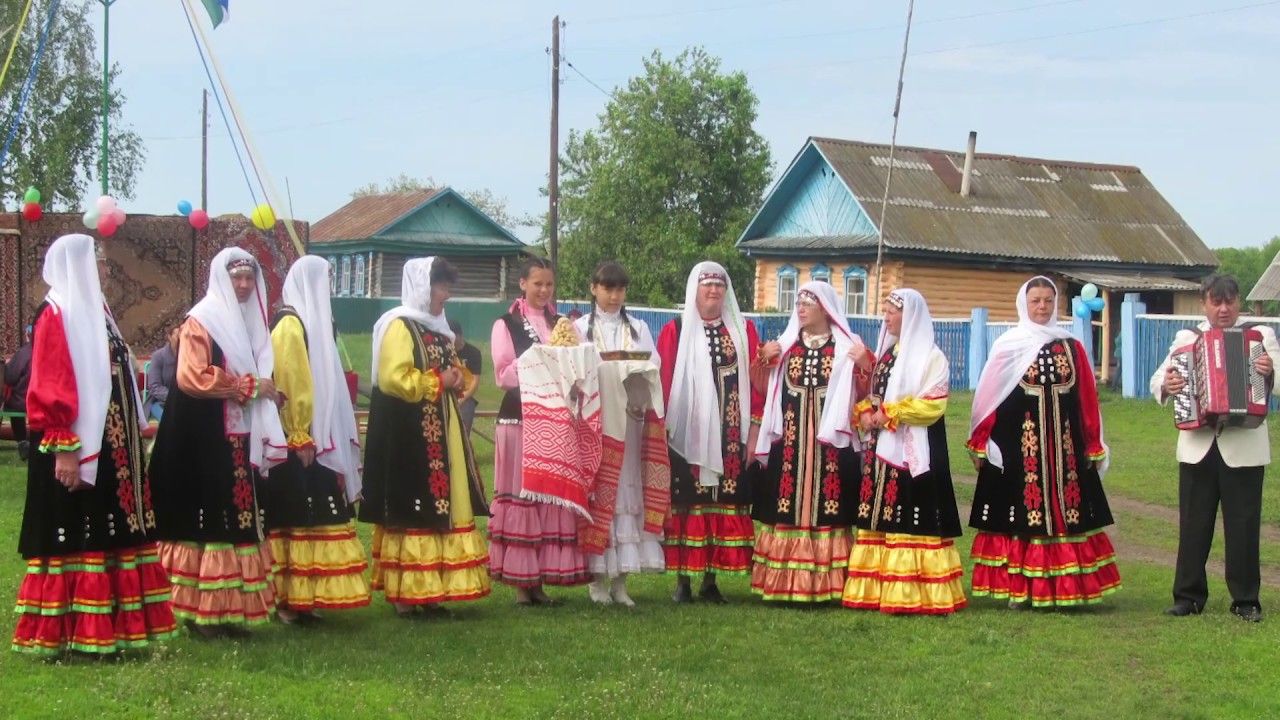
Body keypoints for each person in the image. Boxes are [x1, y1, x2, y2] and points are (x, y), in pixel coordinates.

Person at [12, 234, 178, 655]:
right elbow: (50, 381)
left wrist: (136, 421)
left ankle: (115, 627)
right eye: (99, 263)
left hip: (113, 447)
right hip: (77, 445)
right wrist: (66, 447)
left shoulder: (98, 315)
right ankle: (73, 632)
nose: (105, 270)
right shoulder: (57, 313)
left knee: (112, 529)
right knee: (82, 530)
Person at [149, 248, 288, 638]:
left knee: (236, 515)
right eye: (236, 279)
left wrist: (266, 393)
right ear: (220, 280)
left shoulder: (251, 323)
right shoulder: (203, 320)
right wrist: (245, 386)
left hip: (237, 435)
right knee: (207, 516)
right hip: (199, 436)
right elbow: (191, 377)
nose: (243, 286)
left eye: (249, 279)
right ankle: (198, 613)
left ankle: (231, 612)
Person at [967, 277, 1120, 609]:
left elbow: (1087, 399)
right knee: (1023, 513)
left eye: (1048, 301)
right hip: (1020, 447)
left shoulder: (1071, 346)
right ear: (1024, 303)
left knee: (1067, 513)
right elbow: (989, 397)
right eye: (1035, 301)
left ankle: (1065, 587)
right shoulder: (1009, 346)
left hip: (1065, 450)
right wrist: (981, 440)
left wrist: (1094, 442)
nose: (1042, 307)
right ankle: (1021, 590)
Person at [361, 257, 492, 618]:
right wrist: (438, 382)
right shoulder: (399, 326)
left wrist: (458, 377)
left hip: (441, 428)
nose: (445, 295)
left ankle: (431, 590)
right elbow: (393, 378)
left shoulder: (438, 328)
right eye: (440, 287)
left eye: (447, 288)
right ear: (423, 287)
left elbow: (452, 368)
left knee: (441, 503)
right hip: (409, 432)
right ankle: (407, 595)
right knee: (413, 503)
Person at [1152, 274, 1280, 622]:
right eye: (1216, 302)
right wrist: (1169, 382)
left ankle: (1246, 600)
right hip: (1198, 445)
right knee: (1193, 524)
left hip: (1245, 446)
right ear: (1204, 303)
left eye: (1230, 301)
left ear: (1239, 302)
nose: (1223, 309)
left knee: (1244, 524)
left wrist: (1268, 373)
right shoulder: (1187, 337)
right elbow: (1158, 379)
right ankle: (1188, 596)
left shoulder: (1261, 335)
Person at [842, 289, 966, 615]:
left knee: (911, 512)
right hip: (882, 448)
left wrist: (891, 413)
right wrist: (866, 413)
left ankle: (916, 592)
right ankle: (878, 589)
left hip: (916, 449)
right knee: (882, 512)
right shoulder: (888, 355)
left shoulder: (931, 356)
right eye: (885, 310)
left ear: (910, 316)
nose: (886, 317)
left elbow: (934, 404)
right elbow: (876, 395)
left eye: (892, 311)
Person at [656, 262, 770, 603]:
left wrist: (754, 432)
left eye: (720, 286)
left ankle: (710, 580)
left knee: (721, 502)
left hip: (730, 436)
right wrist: (661, 427)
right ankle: (682, 582)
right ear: (695, 290)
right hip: (686, 435)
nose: (714, 291)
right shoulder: (676, 329)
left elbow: (758, 384)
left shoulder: (742, 330)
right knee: (687, 504)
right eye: (707, 285)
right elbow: (663, 382)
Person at [267, 256, 370, 624]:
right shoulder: (290, 325)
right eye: (323, 280)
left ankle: (306, 597)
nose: (328, 287)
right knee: (295, 517)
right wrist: (299, 433)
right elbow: (291, 381)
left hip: (318, 434)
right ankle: (286, 602)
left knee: (317, 517)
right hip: (301, 438)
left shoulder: (316, 323)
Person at [750, 282, 863, 603]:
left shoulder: (846, 346)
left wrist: (865, 366)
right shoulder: (785, 346)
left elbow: (865, 392)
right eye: (797, 303)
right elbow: (761, 387)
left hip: (831, 446)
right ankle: (783, 582)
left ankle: (831, 585)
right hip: (790, 441)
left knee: (832, 502)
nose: (799, 308)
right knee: (785, 498)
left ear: (825, 308)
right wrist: (762, 359)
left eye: (807, 303)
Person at [488, 257, 588, 604]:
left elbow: (579, 369)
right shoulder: (505, 324)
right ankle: (520, 583)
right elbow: (503, 375)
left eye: (549, 284)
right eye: (537, 284)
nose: (544, 291)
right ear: (522, 284)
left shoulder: (564, 324)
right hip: (520, 419)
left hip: (556, 420)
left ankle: (539, 580)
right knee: (522, 496)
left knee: (547, 495)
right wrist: (541, 358)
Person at [574, 262, 668, 606]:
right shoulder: (579, 327)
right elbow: (573, 370)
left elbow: (653, 367)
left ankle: (622, 581)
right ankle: (597, 580)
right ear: (593, 288)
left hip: (629, 421)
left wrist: (638, 387)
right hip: (595, 425)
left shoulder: (639, 328)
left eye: (620, 290)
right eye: (607, 288)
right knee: (601, 495)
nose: (614, 296)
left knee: (629, 496)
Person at [449, 318, 482, 436]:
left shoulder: (473, 353)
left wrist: (462, 400)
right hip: (447, 393)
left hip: (465, 395)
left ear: (459, 336)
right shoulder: (445, 350)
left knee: (466, 409)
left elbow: (475, 381)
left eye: (451, 337)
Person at [4, 325, 32, 460]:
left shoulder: (25, 352)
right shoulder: (51, 350)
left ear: (27, 335)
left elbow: (10, 377)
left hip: (24, 401)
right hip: (44, 399)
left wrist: (9, 364)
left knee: (10, 404)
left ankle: (22, 442)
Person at [146, 324, 180, 422]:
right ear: (169, 337)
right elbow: (154, 386)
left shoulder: (188, 356)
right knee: (169, 421)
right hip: (161, 401)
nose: (181, 338)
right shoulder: (158, 357)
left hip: (183, 401)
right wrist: (173, 397)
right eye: (177, 335)